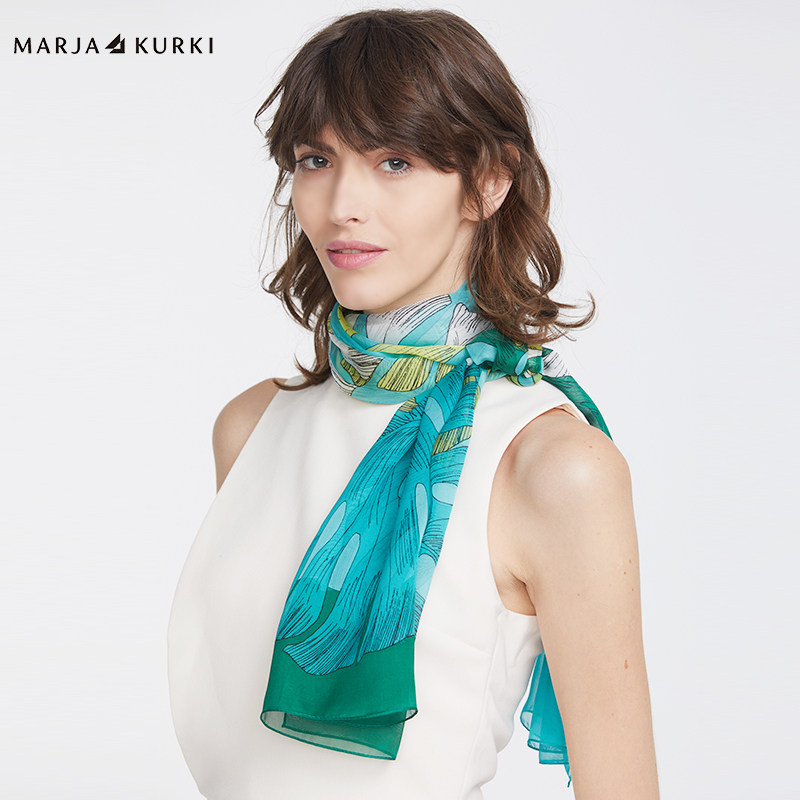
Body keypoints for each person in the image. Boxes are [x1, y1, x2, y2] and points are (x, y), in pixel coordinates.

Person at [168, 8, 659, 799]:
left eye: (394, 161)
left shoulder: (552, 466)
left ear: (489, 181)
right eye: (316, 159)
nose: (343, 203)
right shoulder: (250, 427)